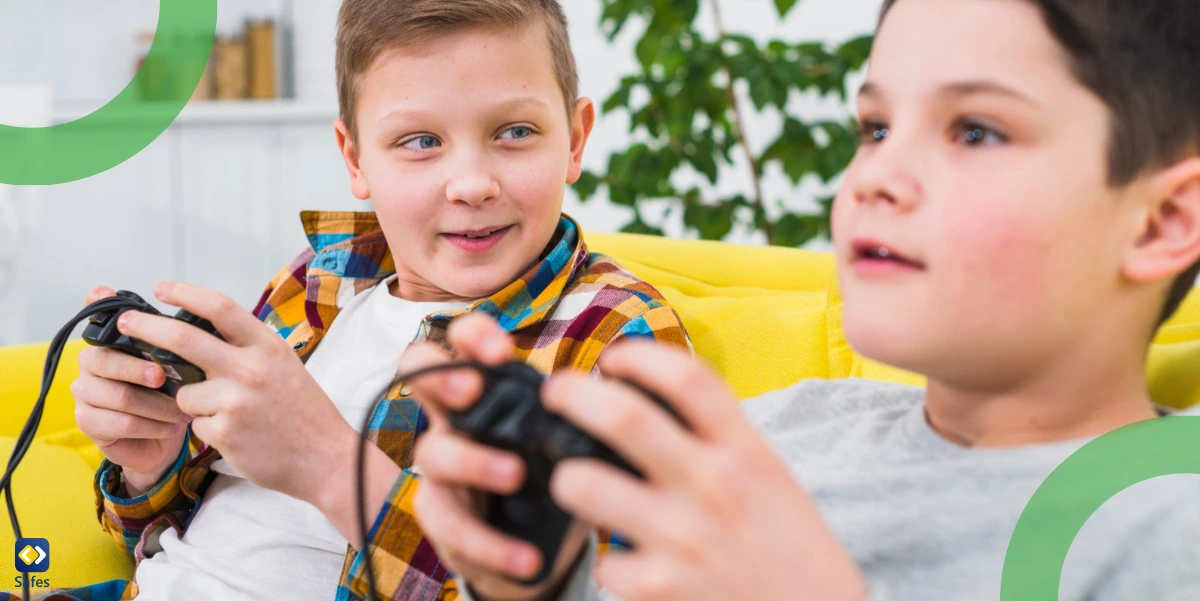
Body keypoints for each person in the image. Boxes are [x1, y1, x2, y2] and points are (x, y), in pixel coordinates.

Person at [406, 1, 1200, 600]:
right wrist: (533, 573)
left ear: (1162, 221)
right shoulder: (776, 433)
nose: (874, 176)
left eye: (976, 131)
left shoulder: (1164, 517)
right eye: (876, 127)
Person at [19, 2, 689, 600]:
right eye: (420, 142)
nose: (472, 183)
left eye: (514, 131)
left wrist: (333, 468)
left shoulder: (614, 334)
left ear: (574, 138)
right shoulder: (316, 283)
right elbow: (181, 526)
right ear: (355, 158)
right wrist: (151, 461)